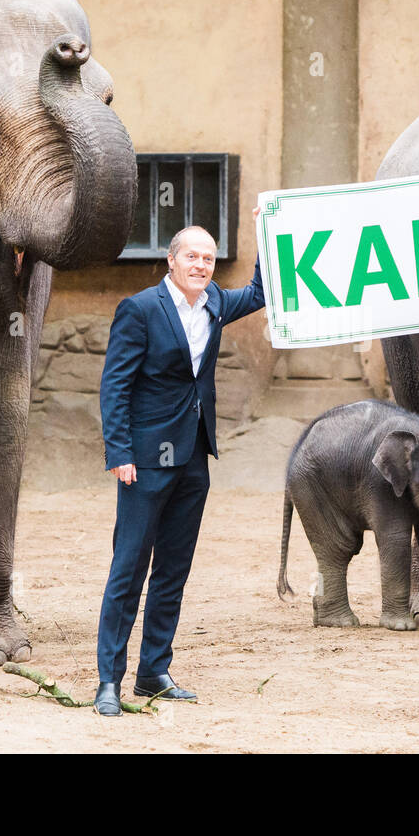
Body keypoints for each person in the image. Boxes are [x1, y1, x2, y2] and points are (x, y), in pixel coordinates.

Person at [94, 221, 265, 715]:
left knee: (173, 569)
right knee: (129, 569)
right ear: (172, 260)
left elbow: (258, 292)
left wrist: (265, 231)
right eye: (192, 257)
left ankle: (153, 672)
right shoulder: (141, 308)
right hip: (145, 460)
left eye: (208, 259)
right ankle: (110, 680)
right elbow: (115, 385)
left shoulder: (214, 302)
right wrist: (120, 452)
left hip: (193, 457)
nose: (201, 266)